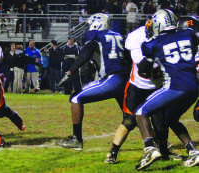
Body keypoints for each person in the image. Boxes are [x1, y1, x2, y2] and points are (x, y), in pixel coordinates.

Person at [105, 18, 181, 164]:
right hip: (138, 87)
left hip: (157, 87)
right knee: (130, 121)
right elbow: (144, 68)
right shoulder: (137, 38)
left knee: (160, 124)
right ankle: (113, 152)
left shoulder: (167, 39)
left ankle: (163, 151)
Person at [134, 9, 199, 170]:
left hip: (174, 86)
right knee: (171, 119)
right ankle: (193, 152)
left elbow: (143, 69)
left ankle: (150, 148)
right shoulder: (189, 33)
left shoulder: (153, 43)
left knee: (140, 111)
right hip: (194, 86)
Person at [55, 13, 129, 151]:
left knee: (76, 98)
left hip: (111, 79)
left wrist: (69, 72)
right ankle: (157, 142)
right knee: (132, 115)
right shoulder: (119, 36)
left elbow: (85, 54)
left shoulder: (97, 36)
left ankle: (77, 139)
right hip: (125, 78)